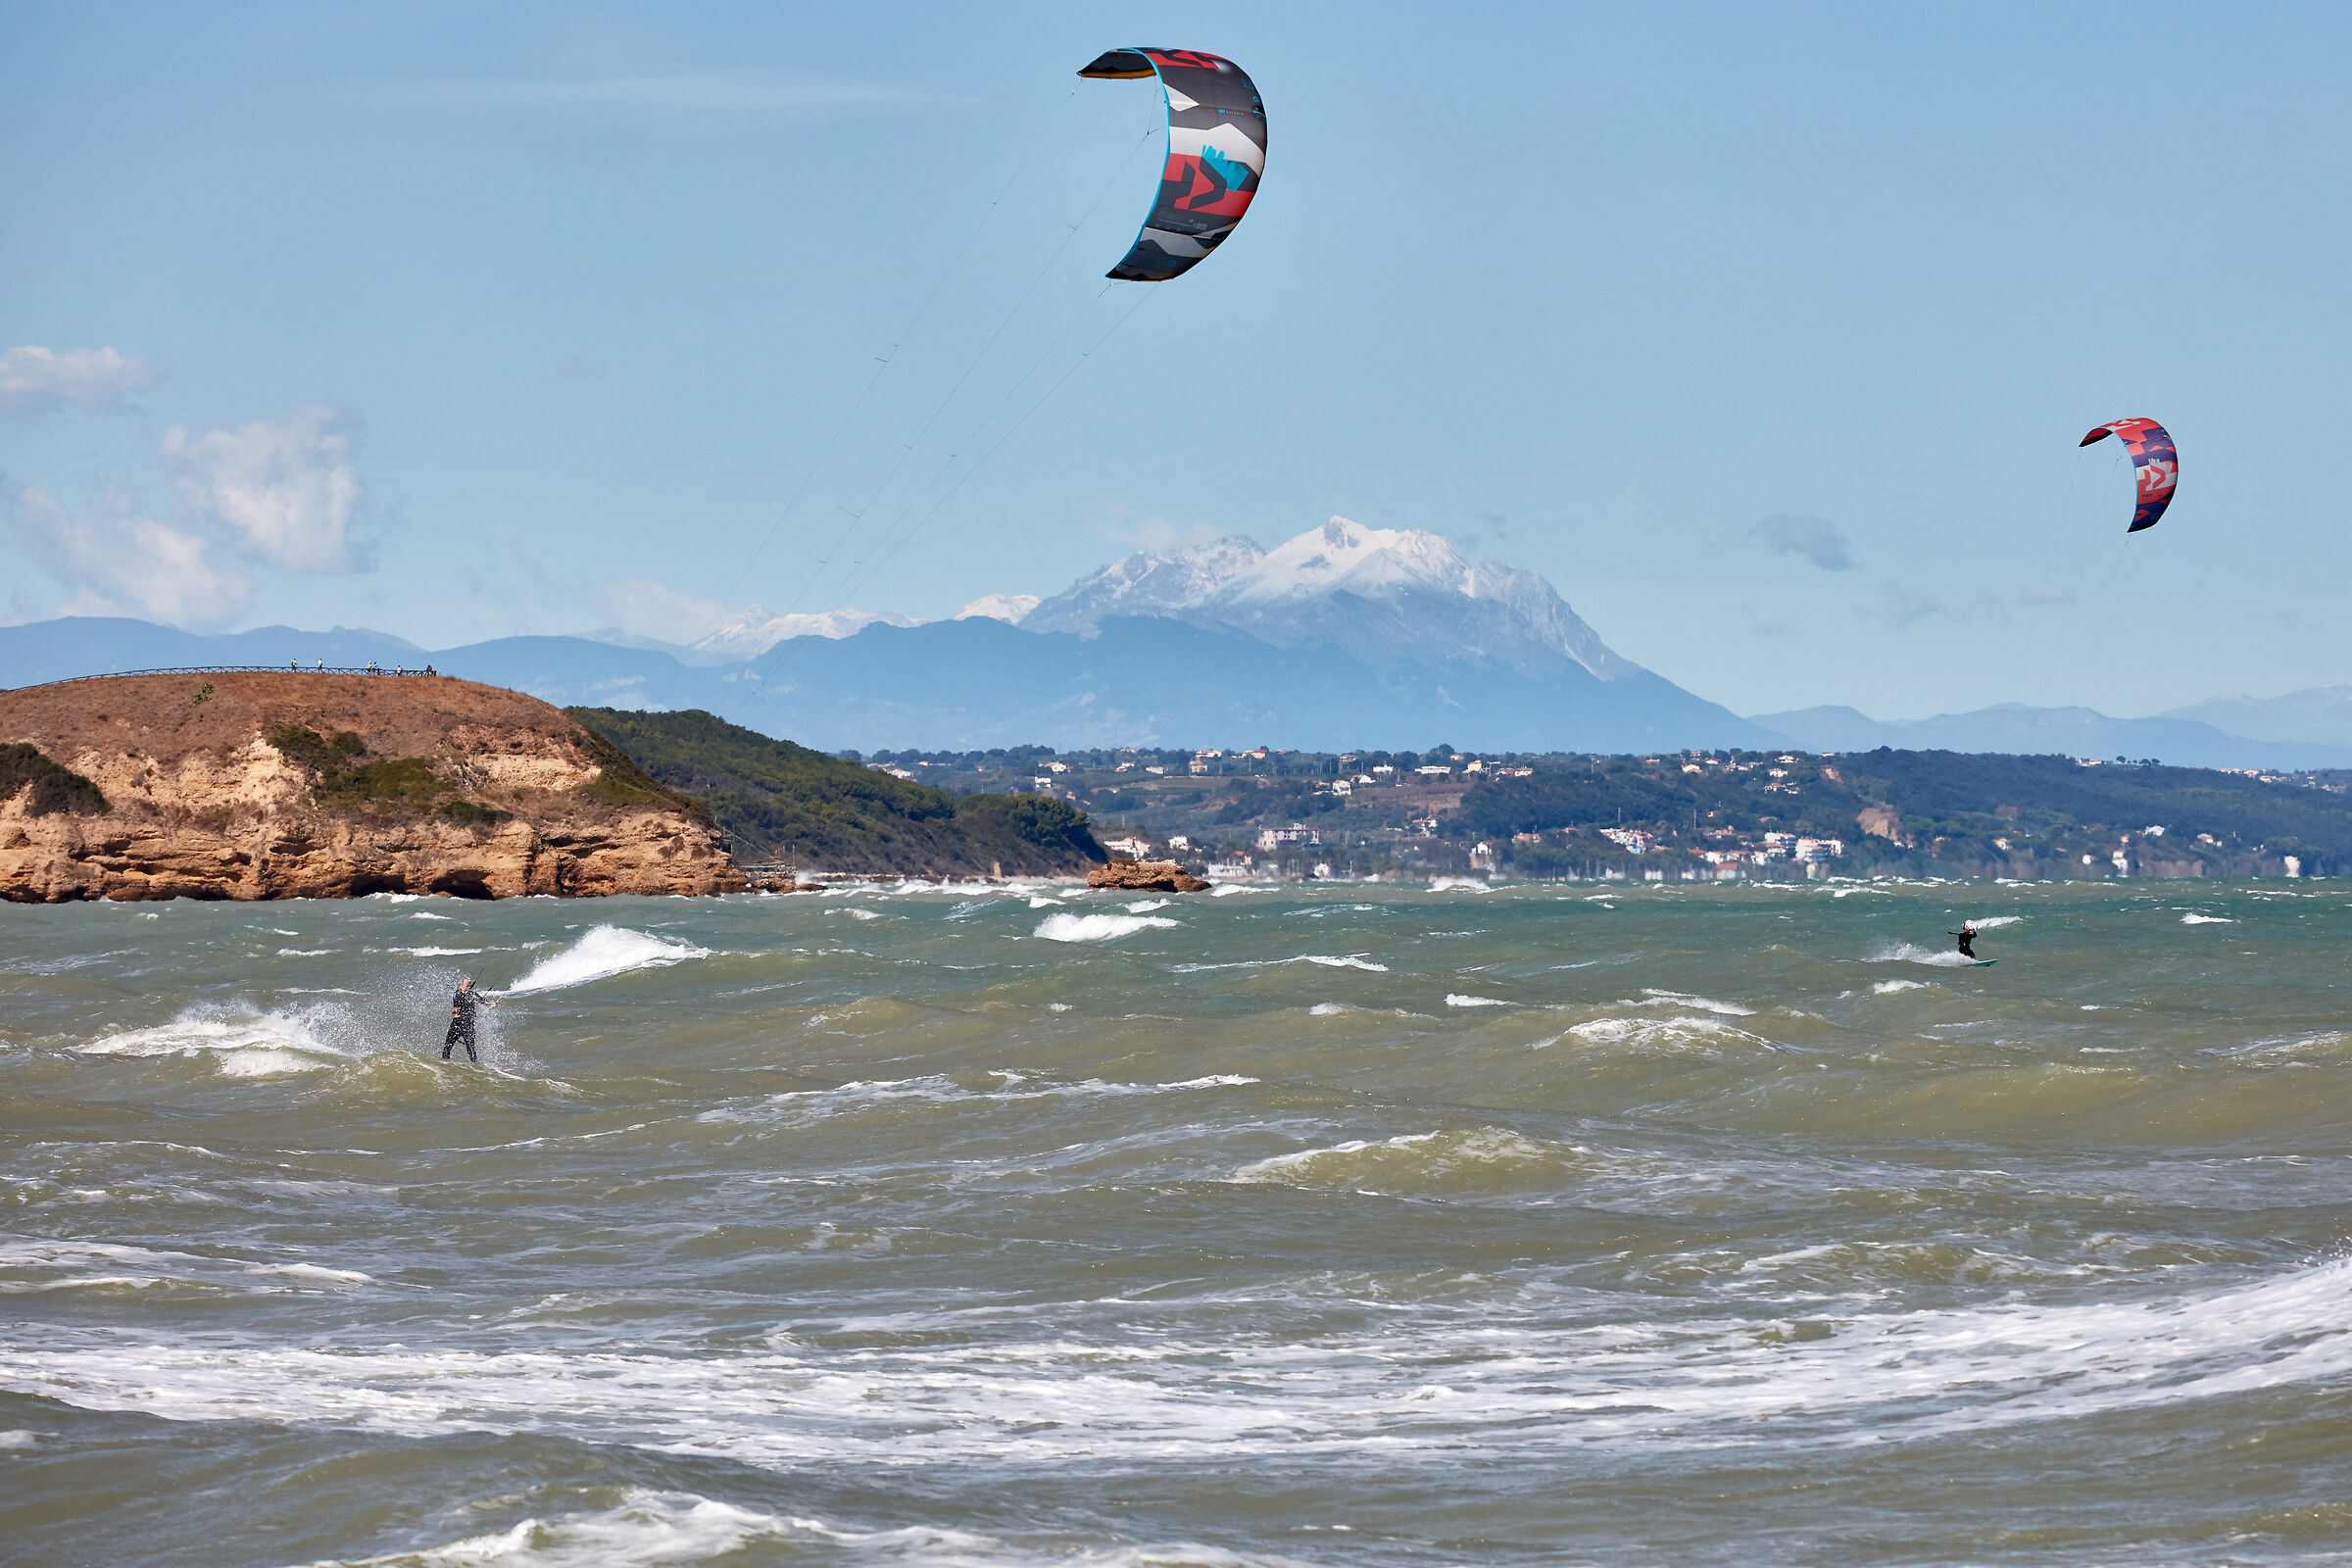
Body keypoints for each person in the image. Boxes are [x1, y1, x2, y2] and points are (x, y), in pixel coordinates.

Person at [442, 977, 498, 1062]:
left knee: (471, 1048)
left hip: (468, 1025)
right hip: (456, 1024)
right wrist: (471, 997)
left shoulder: (472, 994)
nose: (469, 988)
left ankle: (474, 1066)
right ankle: (444, 1063)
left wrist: (491, 1005)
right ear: (461, 985)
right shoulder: (456, 994)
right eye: (467, 986)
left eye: (469, 986)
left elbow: (482, 1000)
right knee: (447, 1047)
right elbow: (462, 998)